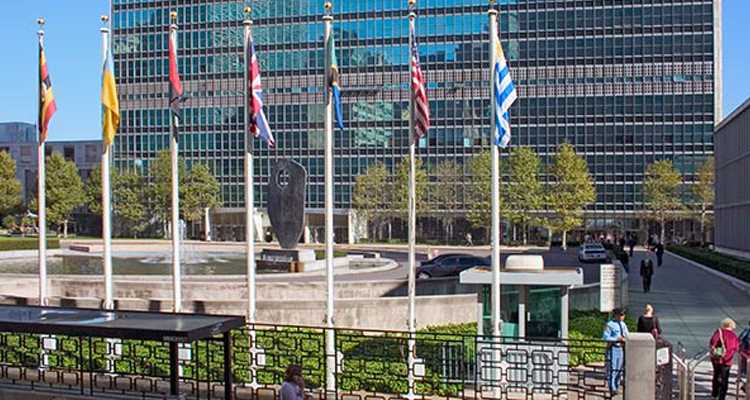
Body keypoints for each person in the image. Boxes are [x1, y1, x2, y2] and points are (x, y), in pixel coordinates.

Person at [709, 318, 740, 400]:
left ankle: (714, 394)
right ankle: (722, 396)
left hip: (717, 358)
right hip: (728, 360)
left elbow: (712, 342)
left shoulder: (719, 332)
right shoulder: (734, 335)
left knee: (716, 376)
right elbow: (737, 348)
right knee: (725, 378)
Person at [603, 308, 629, 395]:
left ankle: (617, 386)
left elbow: (627, 334)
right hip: (613, 347)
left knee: (619, 369)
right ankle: (612, 388)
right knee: (612, 368)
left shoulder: (623, 325)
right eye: (621, 315)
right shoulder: (610, 325)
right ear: (616, 315)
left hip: (621, 348)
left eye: (623, 315)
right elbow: (605, 337)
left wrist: (625, 339)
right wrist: (616, 339)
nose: (623, 317)